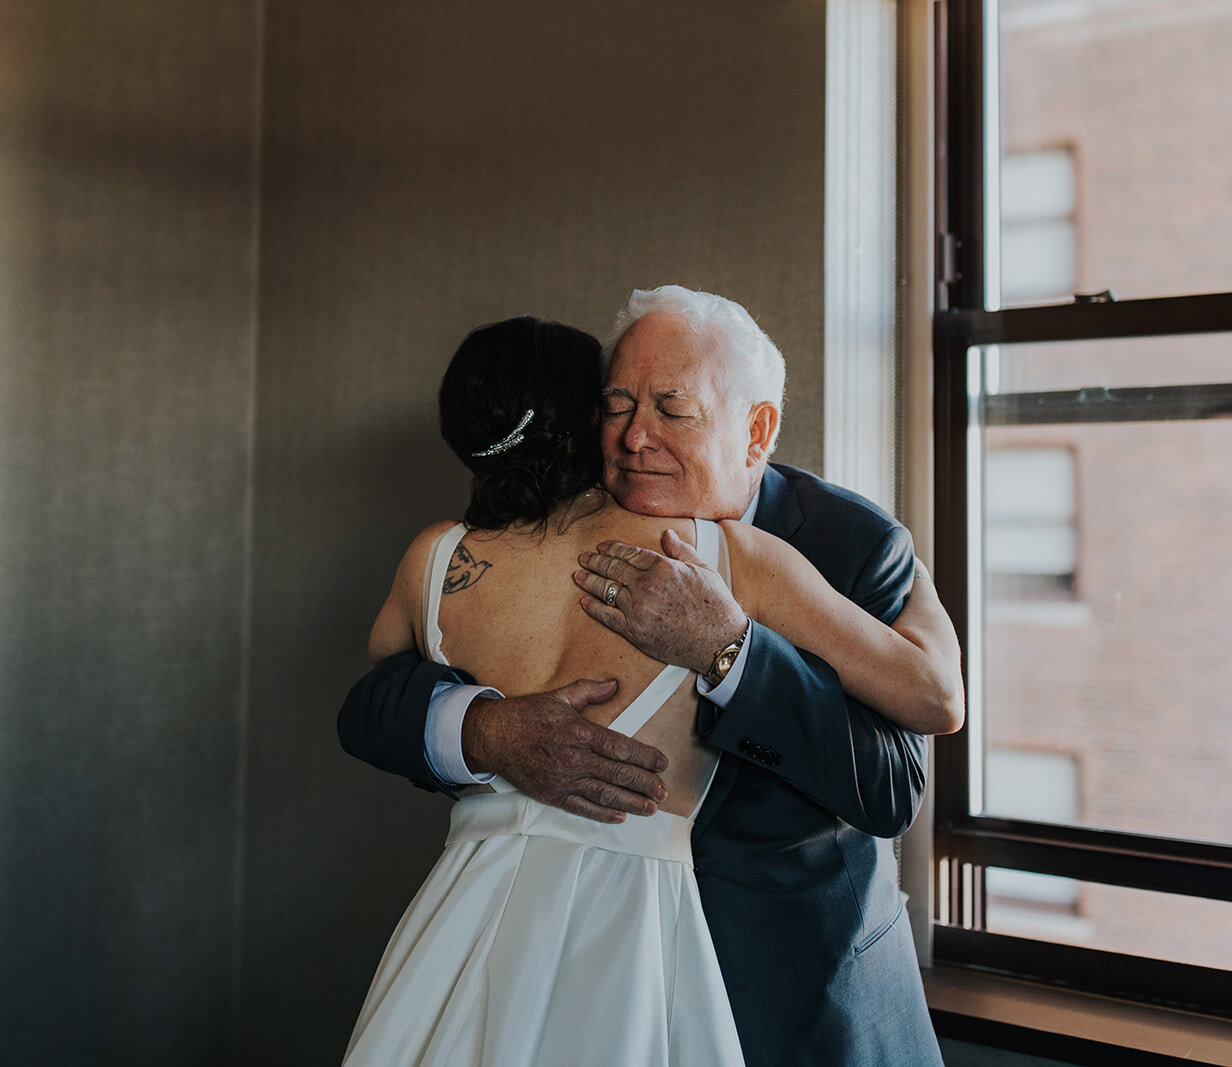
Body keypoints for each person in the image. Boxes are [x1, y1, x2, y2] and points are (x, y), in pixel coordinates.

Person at [341, 290, 962, 1065]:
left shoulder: (848, 543)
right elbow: (375, 702)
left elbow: (893, 785)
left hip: (796, 985)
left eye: (673, 408)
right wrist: (485, 729)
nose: (635, 438)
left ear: (756, 429)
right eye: (617, 405)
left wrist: (729, 648)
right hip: (539, 952)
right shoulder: (520, 540)